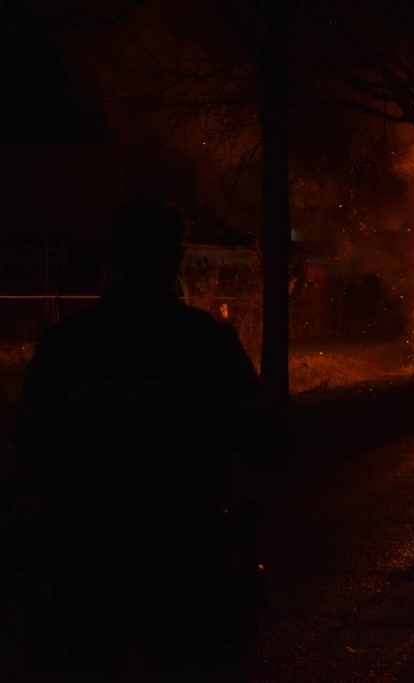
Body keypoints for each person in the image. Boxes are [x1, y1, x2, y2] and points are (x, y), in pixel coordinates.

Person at [15, 199, 288, 682]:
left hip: (89, 558)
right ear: (174, 262)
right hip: (186, 554)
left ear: (110, 261)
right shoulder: (209, 343)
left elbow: (30, 447)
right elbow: (267, 445)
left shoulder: (67, 346)